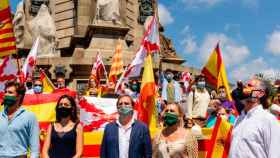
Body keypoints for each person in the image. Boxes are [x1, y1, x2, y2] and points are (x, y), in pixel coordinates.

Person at [229, 78, 280, 158]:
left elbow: (275, 154)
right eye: (245, 86)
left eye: (250, 86)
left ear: (260, 93)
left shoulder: (268, 120)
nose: (245, 88)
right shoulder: (239, 119)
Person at [0, 81, 40, 157]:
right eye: (5, 92)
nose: (6, 94)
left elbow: (34, 149)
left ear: (19, 96)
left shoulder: (30, 116)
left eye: (10, 92)